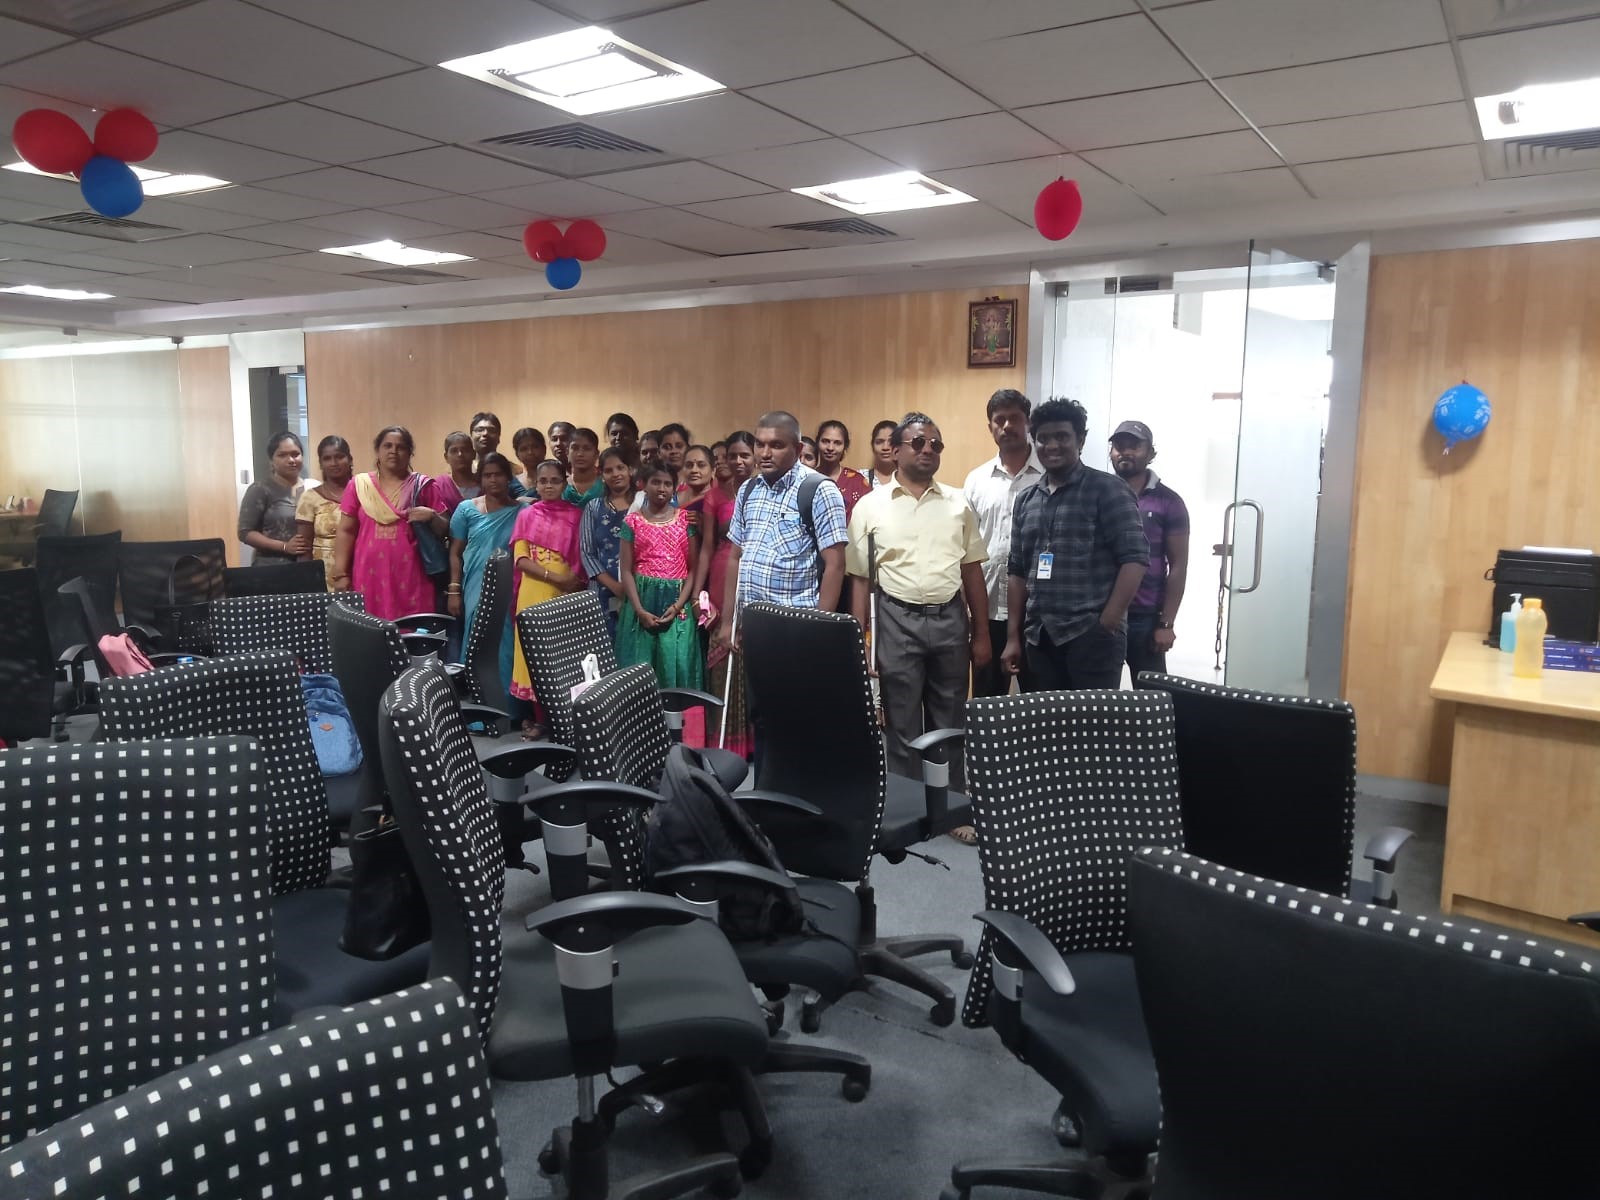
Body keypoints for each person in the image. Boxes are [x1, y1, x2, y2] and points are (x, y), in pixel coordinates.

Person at [847, 414, 988, 840]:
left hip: (948, 618)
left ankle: (953, 809)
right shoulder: (871, 505)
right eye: (919, 442)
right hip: (895, 619)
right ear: (896, 448)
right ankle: (906, 809)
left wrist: (981, 633)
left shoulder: (958, 502)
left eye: (936, 445)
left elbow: (972, 571)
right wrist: (859, 642)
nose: (928, 450)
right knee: (901, 721)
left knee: (950, 716)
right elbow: (860, 578)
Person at [1002, 398, 1148, 691]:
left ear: (1080, 440)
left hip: (1091, 636)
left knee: (1091, 732)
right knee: (1046, 729)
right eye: (1043, 438)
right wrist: (1013, 637)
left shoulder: (1108, 490)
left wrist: (1107, 623)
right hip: (1039, 637)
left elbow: (1135, 559)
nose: (1052, 445)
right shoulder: (1026, 499)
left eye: (1062, 437)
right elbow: (1017, 571)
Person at [716, 411, 847, 646]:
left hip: (798, 627)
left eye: (776, 445)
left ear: (797, 450)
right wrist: (728, 621)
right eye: (759, 444)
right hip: (752, 624)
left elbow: (835, 565)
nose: (765, 454)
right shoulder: (748, 489)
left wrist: (820, 629)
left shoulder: (820, 490)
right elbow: (735, 557)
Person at [963, 388, 1044, 696]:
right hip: (988, 613)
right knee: (987, 701)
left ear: (1028, 423)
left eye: (1014, 418)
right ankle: (989, 748)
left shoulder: (1047, 475)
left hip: (1037, 613)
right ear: (990, 427)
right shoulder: (976, 480)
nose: (1007, 426)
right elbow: (966, 549)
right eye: (999, 420)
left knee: (1039, 702)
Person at [332, 426, 445, 621]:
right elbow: (346, 531)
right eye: (388, 446)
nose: (394, 451)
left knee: (412, 635)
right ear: (378, 451)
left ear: (410, 453)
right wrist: (341, 574)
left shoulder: (423, 486)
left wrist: (433, 516)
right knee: (369, 632)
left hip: (412, 574)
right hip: (368, 574)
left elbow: (446, 529)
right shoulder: (359, 485)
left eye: (401, 447)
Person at [508, 460, 587, 737]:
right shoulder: (527, 515)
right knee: (536, 659)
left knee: (563, 658)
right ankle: (543, 721)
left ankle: (565, 720)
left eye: (555, 480)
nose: (549, 486)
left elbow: (582, 557)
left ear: (564, 484)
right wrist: (557, 579)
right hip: (535, 593)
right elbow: (520, 560)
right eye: (543, 481)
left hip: (566, 596)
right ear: (536, 484)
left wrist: (572, 584)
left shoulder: (576, 516)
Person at [1109, 420, 1190, 679]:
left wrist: (1166, 623)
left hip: (1145, 618)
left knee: (1152, 698)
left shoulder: (1169, 501)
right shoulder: (1099, 494)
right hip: (1101, 614)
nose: (1125, 452)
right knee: (1096, 697)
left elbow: (1178, 565)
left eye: (1134, 446)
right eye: (1119, 446)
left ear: (1151, 453)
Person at [617, 463, 705, 691]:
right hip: (641, 603)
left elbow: (693, 568)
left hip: (678, 605)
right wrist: (639, 610)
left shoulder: (687, 520)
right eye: (656, 482)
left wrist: (677, 606)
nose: (662, 488)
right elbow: (626, 569)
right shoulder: (632, 522)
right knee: (639, 668)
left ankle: (678, 724)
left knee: (677, 665)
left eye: (668, 483)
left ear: (675, 488)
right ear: (644, 486)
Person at [446, 451, 519, 701]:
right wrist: (454, 590)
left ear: (508, 478)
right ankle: (480, 705)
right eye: (487, 475)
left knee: (507, 641)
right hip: (476, 585)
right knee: (477, 638)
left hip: (511, 587)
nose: (493, 480)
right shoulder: (466, 510)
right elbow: (455, 552)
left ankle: (510, 707)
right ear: (480, 480)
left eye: (499, 474)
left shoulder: (522, 511)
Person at [701, 430, 754, 758]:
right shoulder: (715, 497)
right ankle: (725, 744)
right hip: (722, 574)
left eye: (744, 455)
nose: (738, 461)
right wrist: (699, 593)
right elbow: (706, 548)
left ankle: (753, 743)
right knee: (723, 651)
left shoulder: (765, 493)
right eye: (732, 455)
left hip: (756, 575)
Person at [580, 447, 636, 636]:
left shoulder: (644, 504)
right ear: (602, 475)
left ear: (631, 470)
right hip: (601, 592)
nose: (615, 474)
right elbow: (587, 553)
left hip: (639, 591)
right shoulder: (593, 508)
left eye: (620, 468)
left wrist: (629, 588)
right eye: (609, 470)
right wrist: (614, 586)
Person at [238, 431, 308, 566]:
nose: (291, 460)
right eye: (282, 455)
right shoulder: (260, 489)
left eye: (295, 454)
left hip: (307, 565)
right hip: (271, 566)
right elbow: (245, 532)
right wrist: (284, 546)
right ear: (271, 460)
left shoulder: (312, 489)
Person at [295, 434, 352, 587]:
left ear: (350, 459)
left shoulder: (363, 492)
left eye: (340, 457)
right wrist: (308, 583)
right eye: (327, 458)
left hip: (361, 569)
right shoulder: (310, 497)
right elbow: (303, 547)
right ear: (320, 463)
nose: (334, 463)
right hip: (324, 576)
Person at [815, 420, 871, 519]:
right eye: (825, 441)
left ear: (845, 446)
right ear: (817, 442)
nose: (830, 447)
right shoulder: (807, 479)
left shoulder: (857, 482)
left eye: (837, 443)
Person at [426, 431, 481, 517]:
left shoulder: (484, 485)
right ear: (446, 457)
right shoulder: (438, 485)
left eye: (465, 450)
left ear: (473, 454)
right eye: (454, 451)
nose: (460, 454)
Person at [561, 427, 603, 504]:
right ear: (567, 452)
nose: (580, 454)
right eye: (575, 448)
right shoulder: (560, 487)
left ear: (596, 454)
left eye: (587, 449)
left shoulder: (606, 486)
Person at [510, 427, 547, 495]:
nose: (530, 452)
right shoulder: (512, 484)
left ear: (544, 449)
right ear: (517, 454)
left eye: (535, 447)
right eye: (524, 449)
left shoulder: (557, 479)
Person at [868, 419, 897, 489]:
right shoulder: (859, 478)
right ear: (872, 446)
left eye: (891, 442)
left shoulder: (911, 479)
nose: (885, 447)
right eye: (879, 442)